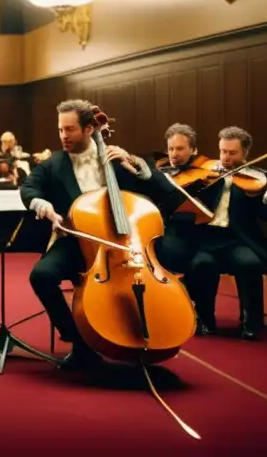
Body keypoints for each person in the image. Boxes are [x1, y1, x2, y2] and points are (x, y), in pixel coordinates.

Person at [20, 100, 176, 370]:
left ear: (90, 128)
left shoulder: (117, 159)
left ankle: (147, 332)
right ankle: (79, 338)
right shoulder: (53, 164)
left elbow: (164, 192)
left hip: (123, 242)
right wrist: (43, 206)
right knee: (41, 276)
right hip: (74, 240)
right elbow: (28, 188)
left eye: (70, 130)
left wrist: (135, 164)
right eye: (60, 130)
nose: (63, 136)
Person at [158, 126, 267, 340]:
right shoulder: (204, 173)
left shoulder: (259, 179)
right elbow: (178, 193)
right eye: (223, 151)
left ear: (245, 153)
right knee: (200, 265)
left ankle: (251, 323)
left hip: (237, 241)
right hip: (204, 239)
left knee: (250, 263)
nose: (226, 157)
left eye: (232, 153)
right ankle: (206, 320)